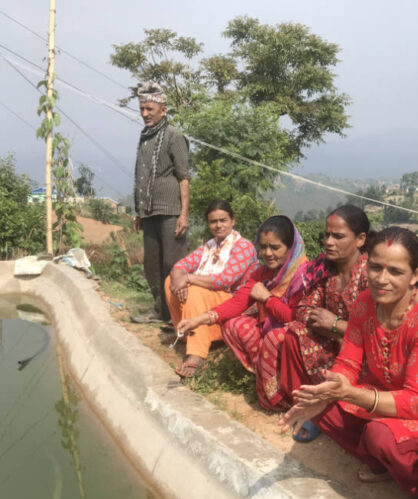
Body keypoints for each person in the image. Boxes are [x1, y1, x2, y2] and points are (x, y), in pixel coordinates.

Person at [280, 227, 418, 499]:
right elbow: (349, 364)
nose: (382, 279)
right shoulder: (365, 303)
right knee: (325, 409)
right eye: (376, 267)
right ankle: (383, 463)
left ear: (414, 275)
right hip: (393, 396)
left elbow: (416, 402)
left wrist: (350, 393)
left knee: (379, 434)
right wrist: (330, 390)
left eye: (395, 271)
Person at [177, 215, 307, 403]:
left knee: (276, 337)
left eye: (275, 247)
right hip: (272, 327)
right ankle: (266, 375)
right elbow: (237, 303)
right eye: (263, 247)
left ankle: (286, 392)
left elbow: (294, 317)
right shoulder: (263, 273)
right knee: (233, 324)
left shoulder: (303, 275)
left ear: (291, 247)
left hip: (296, 336)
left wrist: (268, 299)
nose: (268, 253)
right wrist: (197, 320)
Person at [273, 205, 370, 439]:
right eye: (327, 235)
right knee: (293, 335)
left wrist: (338, 327)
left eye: (338, 236)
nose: (329, 242)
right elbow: (304, 309)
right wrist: (327, 327)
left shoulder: (371, 275)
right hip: (332, 343)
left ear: (360, 239)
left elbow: (379, 331)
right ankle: (309, 406)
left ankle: (331, 411)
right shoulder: (326, 270)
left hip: (364, 351)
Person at [164, 200, 259, 378]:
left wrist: (188, 278)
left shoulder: (243, 246)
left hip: (236, 303)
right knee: (171, 281)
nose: (218, 225)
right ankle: (184, 335)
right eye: (213, 221)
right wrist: (179, 278)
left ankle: (196, 354)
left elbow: (225, 280)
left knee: (194, 289)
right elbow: (181, 265)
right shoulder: (209, 247)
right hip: (214, 298)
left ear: (233, 221)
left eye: (223, 220)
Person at [130, 81, 191, 325]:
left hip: (170, 211)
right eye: (142, 109)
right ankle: (160, 310)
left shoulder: (175, 136)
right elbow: (140, 176)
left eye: (150, 109)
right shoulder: (145, 137)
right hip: (148, 211)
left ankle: (178, 314)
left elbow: (184, 177)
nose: (145, 114)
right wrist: (139, 212)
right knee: (152, 263)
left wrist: (183, 214)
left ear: (163, 110)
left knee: (172, 263)